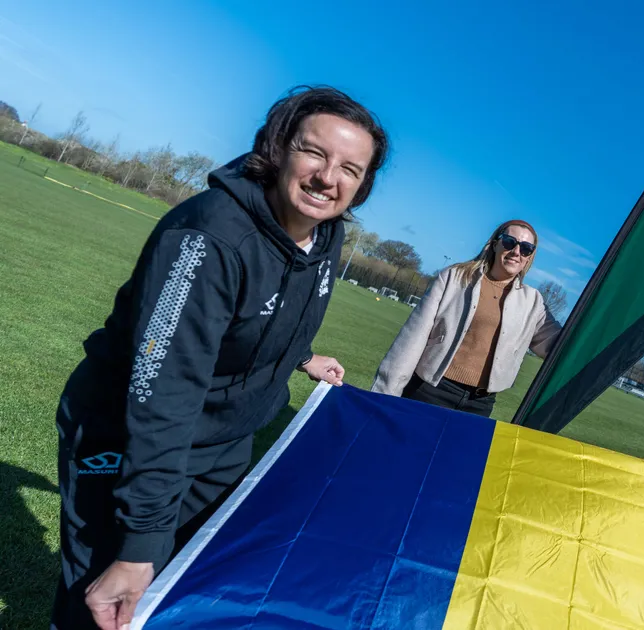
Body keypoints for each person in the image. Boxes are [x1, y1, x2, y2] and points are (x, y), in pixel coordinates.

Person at [52, 86, 390, 630]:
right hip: (127, 434)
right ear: (278, 147)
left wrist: (302, 356)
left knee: (182, 584)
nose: (328, 178)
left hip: (225, 443)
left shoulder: (324, 235)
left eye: (350, 169)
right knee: (104, 595)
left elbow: (266, 310)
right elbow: (164, 393)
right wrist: (140, 541)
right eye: (314, 153)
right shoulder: (209, 236)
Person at [372, 220, 561, 417]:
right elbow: (412, 340)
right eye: (509, 242)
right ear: (495, 244)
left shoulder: (533, 301)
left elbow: (559, 346)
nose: (516, 252)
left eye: (526, 248)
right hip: (431, 391)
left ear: (530, 257)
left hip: (480, 405)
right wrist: (384, 395)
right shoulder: (454, 277)